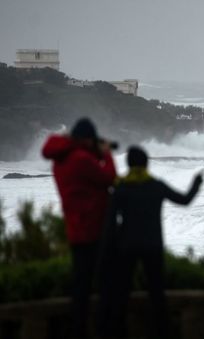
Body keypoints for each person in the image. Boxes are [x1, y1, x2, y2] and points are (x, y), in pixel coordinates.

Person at [102, 146, 203, 338]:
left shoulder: (120, 188)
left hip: (126, 247)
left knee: (121, 293)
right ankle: (162, 332)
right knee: (157, 294)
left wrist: (107, 251)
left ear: (128, 163)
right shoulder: (156, 186)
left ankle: (117, 333)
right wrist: (197, 183)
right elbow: (185, 200)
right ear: (147, 163)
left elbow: (109, 224)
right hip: (152, 246)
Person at [41, 117, 117, 338]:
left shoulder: (61, 159)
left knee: (81, 283)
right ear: (86, 140)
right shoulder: (80, 159)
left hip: (76, 227)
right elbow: (109, 178)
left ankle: (78, 329)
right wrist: (107, 154)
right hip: (93, 228)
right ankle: (101, 330)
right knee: (104, 284)